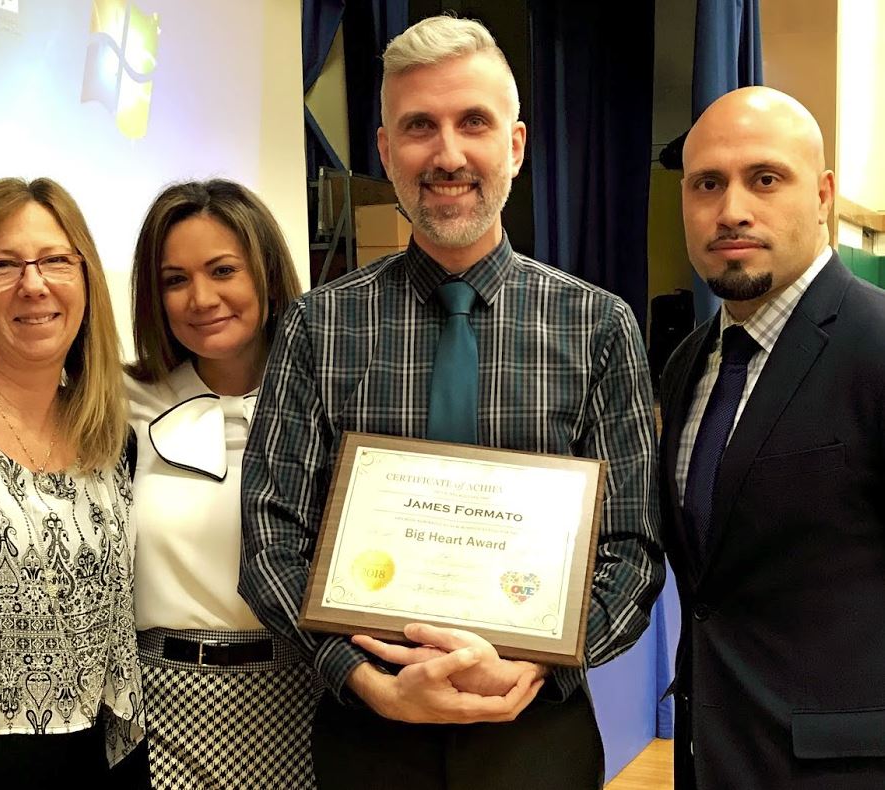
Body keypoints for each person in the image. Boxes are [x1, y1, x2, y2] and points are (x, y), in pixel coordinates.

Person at [240, 16, 663, 790]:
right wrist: (363, 679)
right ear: (385, 150)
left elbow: (632, 550)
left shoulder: (600, 326)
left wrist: (535, 666)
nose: (448, 154)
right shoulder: (318, 325)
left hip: (538, 731)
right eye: (419, 127)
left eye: (473, 122)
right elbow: (270, 540)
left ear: (517, 145)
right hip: (365, 729)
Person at [660, 85, 885, 789]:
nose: (732, 210)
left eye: (764, 179)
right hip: (709, 762)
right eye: (707, 184)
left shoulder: (876, 345)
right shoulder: (686, 365)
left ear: (821, 195)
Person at [125, 179, 317, 788]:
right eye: (174, 279)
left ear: (264, 271)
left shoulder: (328, 401)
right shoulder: (122, 402)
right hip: (163, 708)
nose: (200, 298)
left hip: (310, 694)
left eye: (222, 270)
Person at [0, 178, 143, 788]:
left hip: (94, 762)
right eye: (3, 265)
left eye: (55, 261)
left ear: (86, 278)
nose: (33, 284)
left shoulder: (112, 437)